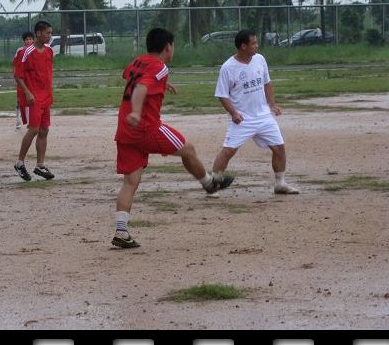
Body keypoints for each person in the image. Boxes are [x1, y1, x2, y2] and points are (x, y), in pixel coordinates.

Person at [112, 28, 234, 249]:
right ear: (168, 47)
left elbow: (132, 78)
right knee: (188, 149)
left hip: (125, 131)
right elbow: (141, 87)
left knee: (130, 182)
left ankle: (121, 231)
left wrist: (161, 84)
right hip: (146, 128)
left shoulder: (138, 61)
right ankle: (209, 184)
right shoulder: (160, 67)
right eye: (173, 46)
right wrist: (137, 112)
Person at [210, 29, 299, 198]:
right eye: (253, 43)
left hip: (263, 116)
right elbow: (222, 95)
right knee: (228, 151)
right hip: (242, 119)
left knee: (279, 148)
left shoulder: (260, 59)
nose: (257, 45)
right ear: (243, 46)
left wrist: (272, 104)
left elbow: (267, 83)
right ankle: (213, 185)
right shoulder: (228, 67)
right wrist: (234, 113)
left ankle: (280, 184)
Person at [13, 21, 55, 181]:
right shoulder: (26, 52)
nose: (50, 36)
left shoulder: (49, 50)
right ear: (38, 33)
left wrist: (49, 93)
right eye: (47, 33)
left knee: (44, 130)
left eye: (50, 33)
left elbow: (47, 73)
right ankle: (19, 163)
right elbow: (18, 75)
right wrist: (27, 93)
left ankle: (40, 165)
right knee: (34, 130)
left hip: (46, 97)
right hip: (33, 98)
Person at [13, 31, 35, 129]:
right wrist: (16, 78)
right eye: (27, 39)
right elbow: (15, 65)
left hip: (32, 80)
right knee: (20, 101)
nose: (29, 41)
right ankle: (18, 120)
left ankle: (30, 121)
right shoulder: (20, 51)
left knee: (31, 100)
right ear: (24, 41)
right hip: (22, 79)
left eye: (30, 39)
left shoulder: (35, 50)